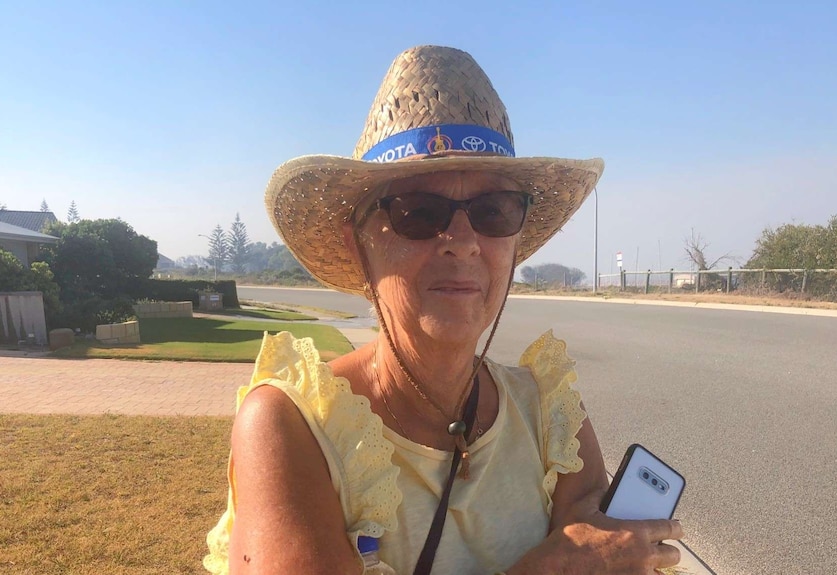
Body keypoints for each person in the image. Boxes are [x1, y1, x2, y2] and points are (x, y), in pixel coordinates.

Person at [204, 45, 684, 575]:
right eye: (419, 212)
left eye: (493, 211)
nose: (463, 241)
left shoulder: (551, 418)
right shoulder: (294, 428)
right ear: (358, 242)